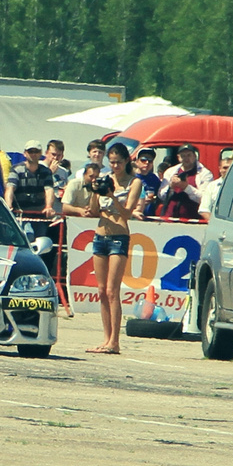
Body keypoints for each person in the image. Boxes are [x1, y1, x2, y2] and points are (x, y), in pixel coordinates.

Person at [74, 143, 148, 355]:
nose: (114, 166)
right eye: (112, 162)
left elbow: (126, 213)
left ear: (126, 161)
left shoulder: (134, 182)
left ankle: (115, 341)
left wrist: (113, 195)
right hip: (100, 235)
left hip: (119, 236)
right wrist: (97, 191)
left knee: (112, 290)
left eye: (118, 162)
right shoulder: (106, 178)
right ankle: (106, 339)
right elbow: (95, 211)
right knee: (100, 290)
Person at [158, 143, 207, 221]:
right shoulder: (170, 172)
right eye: (183, 156)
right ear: (178, 158)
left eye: (189, 155)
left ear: (195, 156)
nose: (186, 158)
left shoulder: (204, 173)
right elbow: (161, 195)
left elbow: (204, 199)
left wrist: (186, 187)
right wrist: (171, 187)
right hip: (169, 219)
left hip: (192, 220)